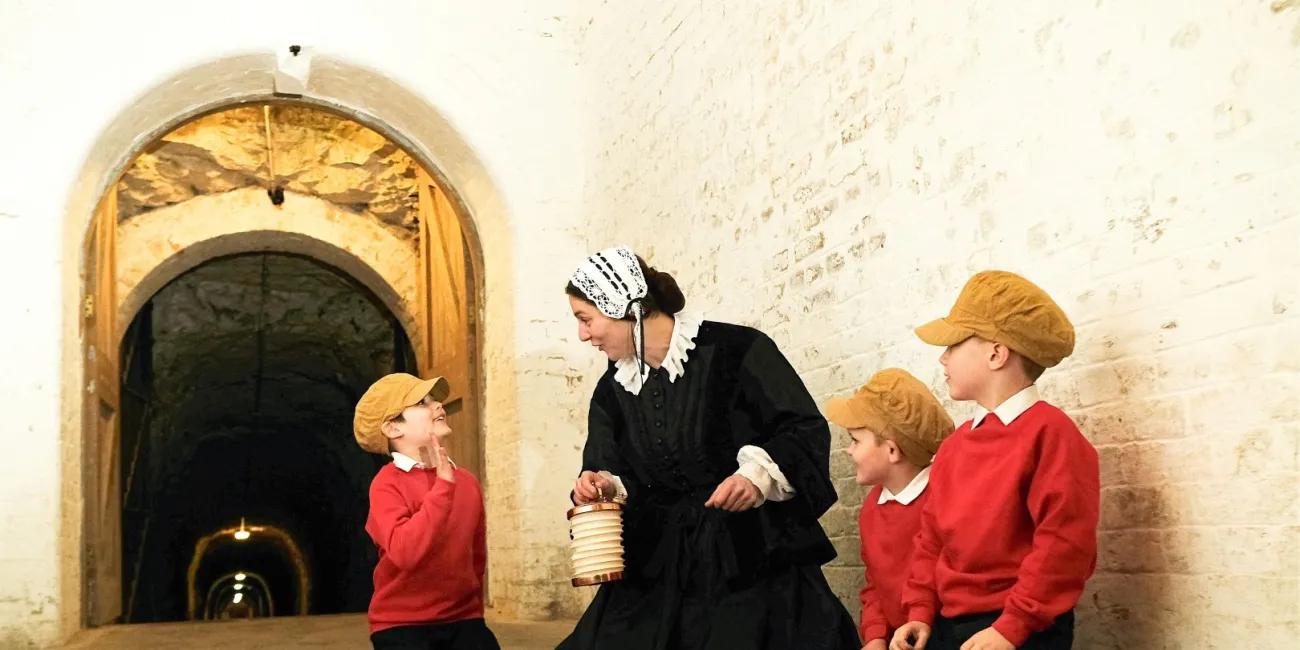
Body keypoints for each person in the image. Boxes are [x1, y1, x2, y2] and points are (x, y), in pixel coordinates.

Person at [557, 245, 860, 650]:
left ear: (625, 307)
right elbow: (608, 463)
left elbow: (801, 429)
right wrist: (602, 483)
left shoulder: (739, 350)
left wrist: (756, 478)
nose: (583, 334)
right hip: (661, 561)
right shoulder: (612, 389)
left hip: (749, 554)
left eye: (585, 319)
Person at [891, 271, 1099, 650]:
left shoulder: (1050, 433)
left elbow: (1064, 545)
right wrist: (919, 611)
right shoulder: (955, 446)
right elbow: (931, 540)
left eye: (954, 344)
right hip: (949, 625)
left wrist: (1012, 627)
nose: (943, 356)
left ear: (996, 353)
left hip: (1020, 629)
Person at [354, 373, 499, 650]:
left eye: (436, 400)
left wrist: (473, 614)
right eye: (422, 402)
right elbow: (405, 552)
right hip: (402, 623)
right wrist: (442, 487)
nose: (438, 406)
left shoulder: (466, 482)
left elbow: (475, 557)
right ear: (393, 428)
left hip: (463, 619)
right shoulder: (386, 484)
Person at [823, 368, 954, 650]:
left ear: (892, 451)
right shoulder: (872, 507)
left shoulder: (945, 499)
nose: (848, 451)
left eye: (856, 441)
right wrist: (875, 636)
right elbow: (875, 585)